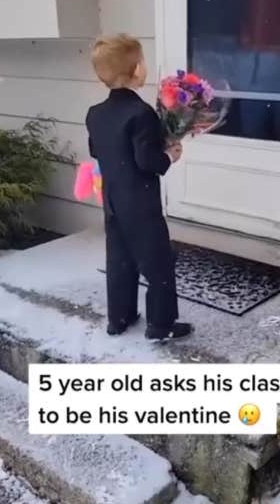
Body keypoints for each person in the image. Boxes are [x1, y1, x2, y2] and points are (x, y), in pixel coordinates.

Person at [85, 34, 192, 341]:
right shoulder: (142, 113)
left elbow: (96, 150)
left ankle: (119, 318)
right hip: (141, 205)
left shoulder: (96, 113)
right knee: (158, 262)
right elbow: (149, 163)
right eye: (142, 61)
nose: (145, 66)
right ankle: (161, 325)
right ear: (135, 70)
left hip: (114, 200)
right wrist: (169, 154)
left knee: (119, 259)